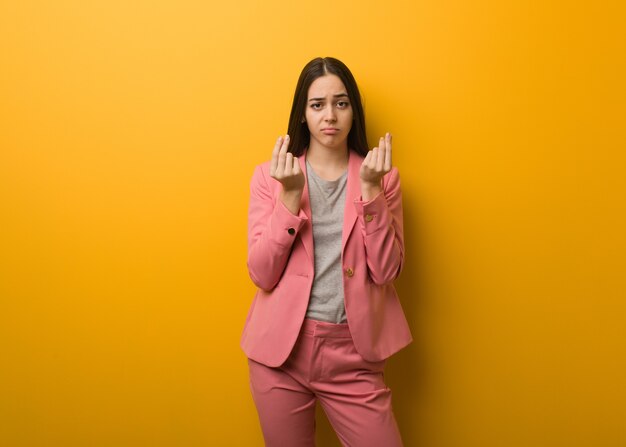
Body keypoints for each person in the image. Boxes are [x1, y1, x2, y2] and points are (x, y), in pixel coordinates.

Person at [241, 56, 412, 447]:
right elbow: (262, 273)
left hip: (354, 355)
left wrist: (370, 192)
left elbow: (386, 271)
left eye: (341, 102)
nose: (330, 116)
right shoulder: (269, 178)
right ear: (302, 113)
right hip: (281, 356)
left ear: (354, 110)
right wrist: (288, 197)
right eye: (317, 104)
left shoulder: (384, 179)